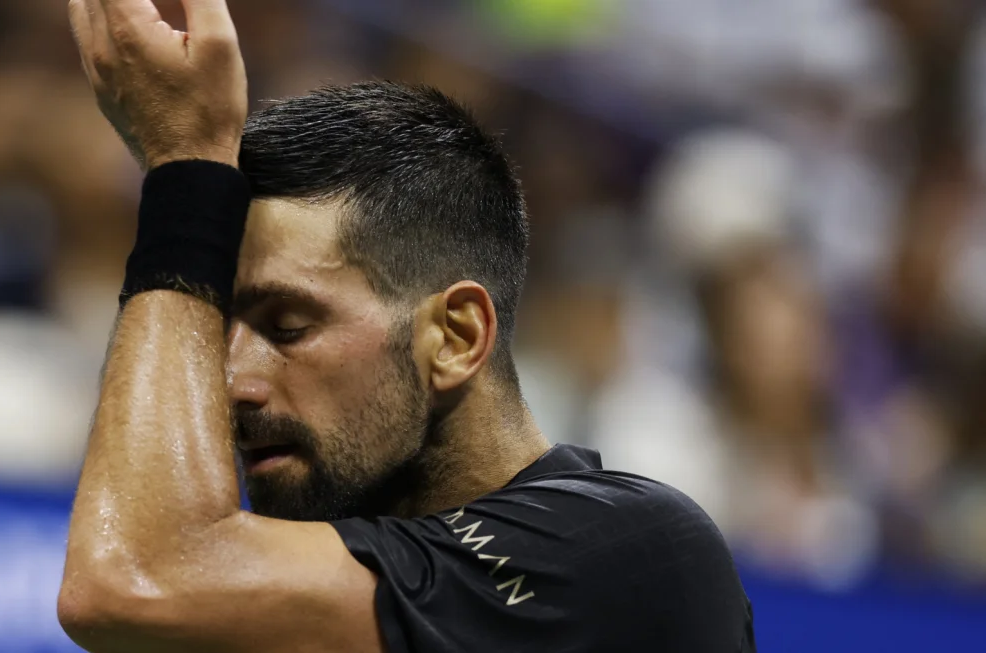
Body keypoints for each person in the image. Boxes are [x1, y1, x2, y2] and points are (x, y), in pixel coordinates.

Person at [58, 1, 756, 651]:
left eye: (289, 325)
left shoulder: (629, 549)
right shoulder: (330, 594)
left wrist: (185, 175)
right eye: (220, 331)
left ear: (454, 337)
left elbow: (133, 577)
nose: (233, 383)